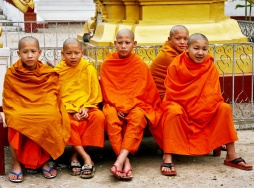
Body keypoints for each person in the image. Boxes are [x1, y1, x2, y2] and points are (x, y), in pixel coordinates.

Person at [150, 33, 253, 176]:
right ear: (187, 48)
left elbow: (214, 94)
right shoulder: (177, 65)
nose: (200, 53)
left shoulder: (210, 66)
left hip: (204, 110)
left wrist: (201, 107)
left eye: (204, 49)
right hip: (181, 107)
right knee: (172, 110)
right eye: (196, 48)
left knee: (224, 108)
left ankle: (231, 155)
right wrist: (190, 107)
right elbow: (173, 93)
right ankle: (167, 156)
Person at [2, 36, 71, 182]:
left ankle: (43, 161)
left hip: (41, 106)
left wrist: (46, 106)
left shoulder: (47, 73)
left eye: (33, 51)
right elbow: (10, 98)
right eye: (25, 52)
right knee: (14, 120)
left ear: (39, 52)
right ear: (18, 53)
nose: (29, 55)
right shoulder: (12, 73)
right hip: (20, 107)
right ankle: (16, 164)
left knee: (50, 116)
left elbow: (52, 95)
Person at [100, 29, 162, 180]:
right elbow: (107, 89)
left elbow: (142, 91)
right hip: (114, 105)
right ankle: (125, 160)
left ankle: (120, 160)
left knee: (138, 117)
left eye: (127, 43)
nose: (123, 46)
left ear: (134, 44)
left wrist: (128, 107)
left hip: (136, 105)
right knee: (110, 116)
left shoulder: (139, 65)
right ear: (115, 44)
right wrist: (118, 106)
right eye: (120, 43)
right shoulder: (108, 64)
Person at [54, 38, 105, 179]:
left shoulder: (88, 68)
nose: (73, 56)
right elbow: (55, 97)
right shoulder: (57, 72)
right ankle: (86, 157)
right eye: (69, 53)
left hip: (87, 107)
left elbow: (95, 93)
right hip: (66, 110)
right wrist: (72, 110)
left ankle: (74, 156)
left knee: (99, 117)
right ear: (63, 54)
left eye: (76, 53)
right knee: (67, 122)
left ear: (82, 52)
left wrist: (86, 108)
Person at [150, 25, 189, 100]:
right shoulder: (168, 56)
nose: (182, 42)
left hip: (171, 92)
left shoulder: (177, 51)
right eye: (178, 39)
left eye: (185, 39)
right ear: (170, 39)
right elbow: (185, 77)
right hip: (161, 96)